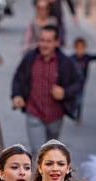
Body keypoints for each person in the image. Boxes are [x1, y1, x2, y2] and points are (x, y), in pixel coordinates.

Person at [11, 26, 83, 154]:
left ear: (56, 42)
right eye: (42, 40)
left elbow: (78, 83)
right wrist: (17, 95)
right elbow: (18, 77)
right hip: (34, 112)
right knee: (39, 152)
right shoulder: (30, 59)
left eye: (48, 41)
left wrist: (64, 92)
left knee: (50, 155)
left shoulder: (65, 62)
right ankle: (37, 174)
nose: (44, 44)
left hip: (55, 116)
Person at [69, 37, 96, 123]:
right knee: (74, 97)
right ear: (75, 48)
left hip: (82, 82)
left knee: (80, 98)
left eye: (82, 49)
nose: (80, 51)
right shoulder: (71, 58)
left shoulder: (86, 57)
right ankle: (73, 111)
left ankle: (78, 115)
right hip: (73, 82)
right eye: (78, 49)